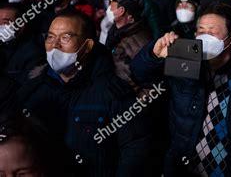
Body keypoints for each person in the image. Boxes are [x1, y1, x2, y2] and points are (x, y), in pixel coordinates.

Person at [130, 2, 231, 176]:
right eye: (201, 31)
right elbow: (140, 76)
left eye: (212, 32)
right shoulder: (184, 64)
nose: (205, 37)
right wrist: (154, 54)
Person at [16, 9, 152, 176]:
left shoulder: (112, 91)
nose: (55, 45)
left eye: (65, 38)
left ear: (87, 45)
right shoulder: (33, 88)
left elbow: (136, 148)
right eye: (50, 37)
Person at [105, 0, 152, 91]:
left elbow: (144, 80)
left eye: (112, 6)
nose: (109, 9)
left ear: (121, 10)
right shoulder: (115, 31)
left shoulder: (138, 41)